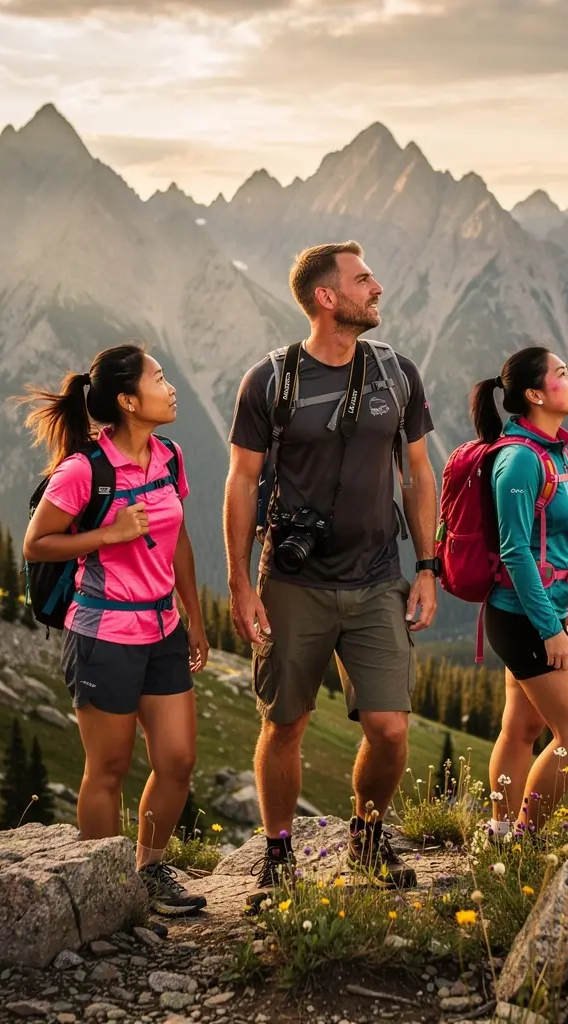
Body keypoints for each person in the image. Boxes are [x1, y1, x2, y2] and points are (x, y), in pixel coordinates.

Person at [224, 241, 440, 903]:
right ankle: (279, 853)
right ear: (326, 297)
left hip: (379, 578)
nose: (376, 287)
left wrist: (427, 567)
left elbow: (420, 473)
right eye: (362, 279)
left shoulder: (396, 373)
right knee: (284, 724)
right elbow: (242, 479)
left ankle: (368, 838)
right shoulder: (271, 381)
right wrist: (238, 581)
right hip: (293, 584)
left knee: (391, 728)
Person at [20, 342, 209, 917]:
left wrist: (195, 619)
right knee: (108, 768)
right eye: (158, 378)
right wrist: (109, 534)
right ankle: (102, 895)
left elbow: (177, 539)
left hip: (163, 629)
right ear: (128, 400)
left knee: (177, 760)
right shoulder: (84, 470)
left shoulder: (169, 455)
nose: (170, 386)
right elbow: (37, 543)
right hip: (103, 635)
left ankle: (148, 872)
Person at [469, 346, 568, 840]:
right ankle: (522, 840)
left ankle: (499, 834)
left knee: (522, 729)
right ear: (535, 394)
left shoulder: (553, 450)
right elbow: (516, 552)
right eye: (563, 373)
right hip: (523, 618)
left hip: (545, 609)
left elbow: (556, 545)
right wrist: (550, 630)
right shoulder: (520, 459)